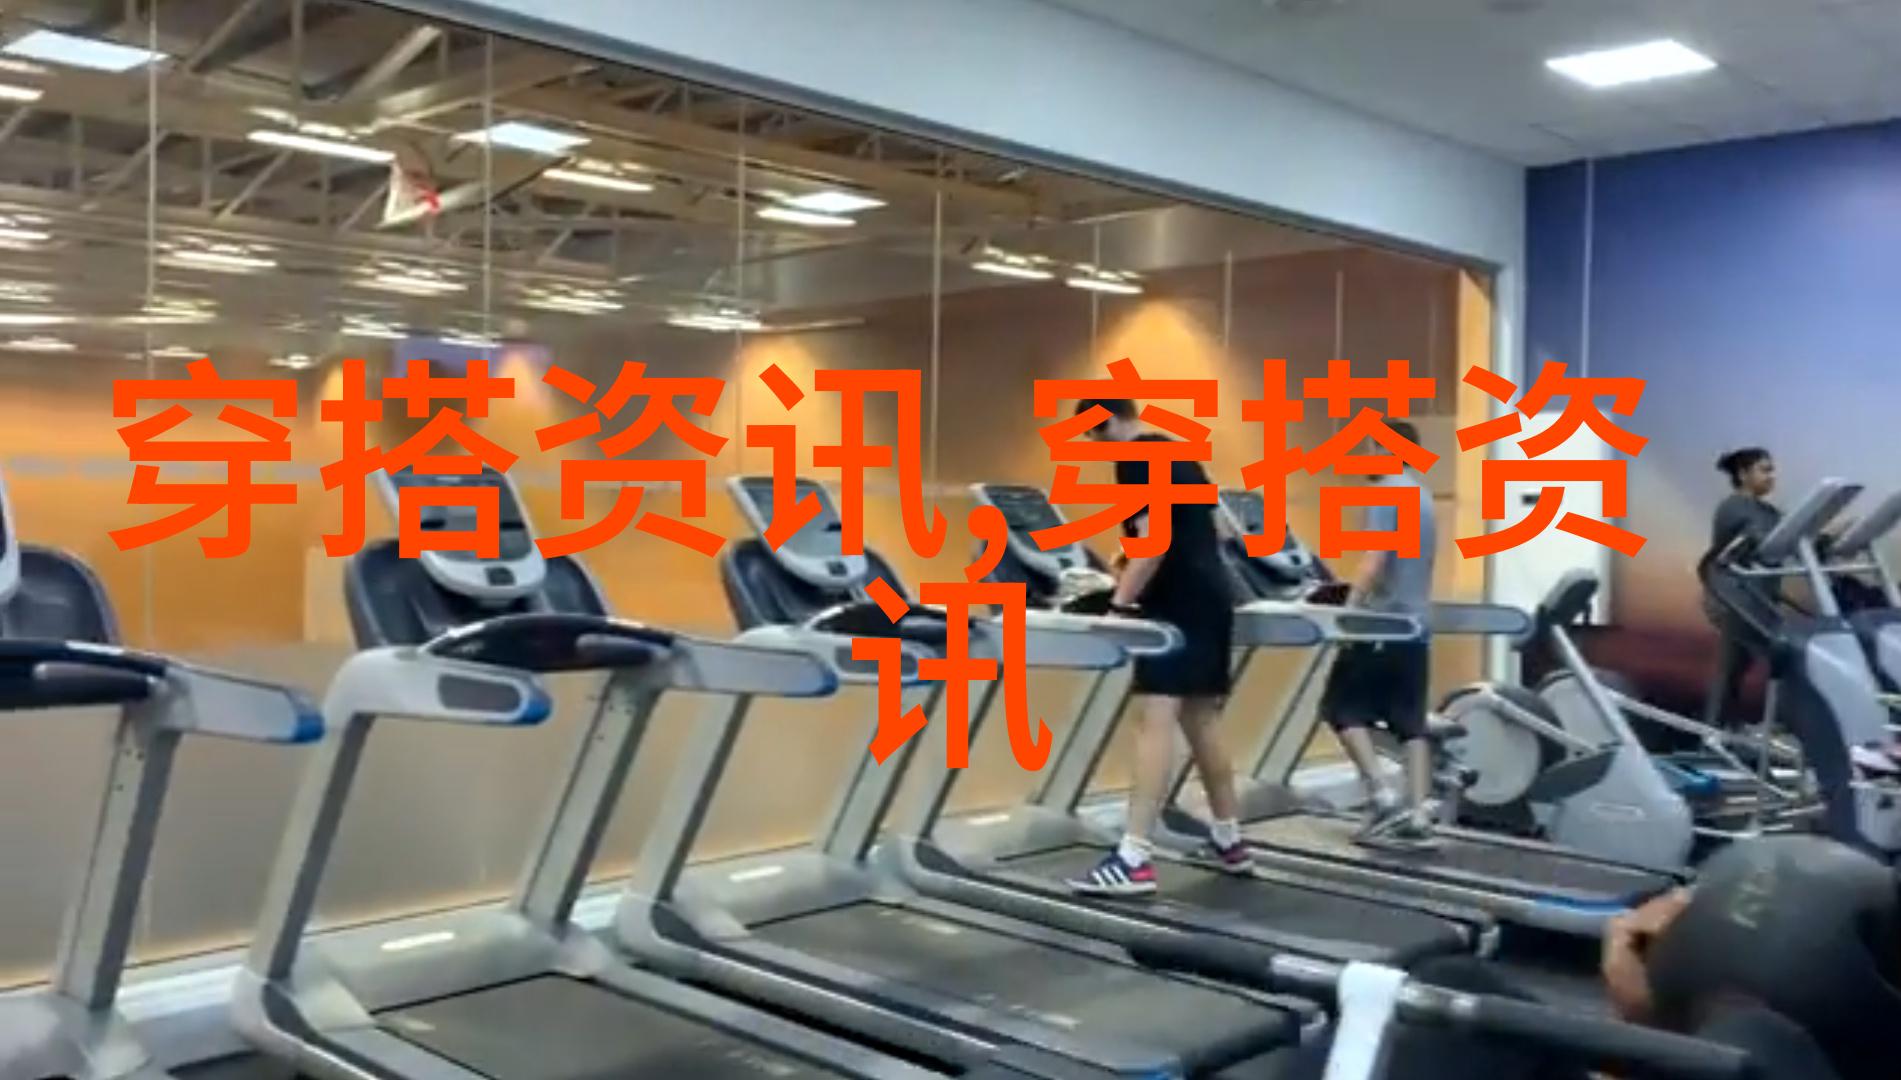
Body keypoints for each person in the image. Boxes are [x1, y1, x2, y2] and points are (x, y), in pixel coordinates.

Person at [1065, 397, 1252, 897]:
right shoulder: (1178, 452)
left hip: (1175, 607)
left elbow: (1154, 543)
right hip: (1212, 598)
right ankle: (1230, 840)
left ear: (1106, 420)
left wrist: (1117, 606)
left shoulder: (1134, 459)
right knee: (1202, 719)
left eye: (1093, 434)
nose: (1096, 446)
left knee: (1153, 720)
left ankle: (1134, 858)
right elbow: (1221, 528)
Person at [1317, 420, 1439, 850]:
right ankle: (1418, 813)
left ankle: (1383, 796)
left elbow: (1375, 560)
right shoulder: (1423, 496)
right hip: (1415, 628)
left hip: (1382, 626)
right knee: (1410, 722)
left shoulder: (1388, 492)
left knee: (1339, 707)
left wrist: (1348, 615)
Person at [1698, 447, 1781, 729]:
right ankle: (1716, 731)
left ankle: (1718, 729)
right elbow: (1764, 541)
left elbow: (1786, 538)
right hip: (1735, 600)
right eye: (1764, 470)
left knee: (1732, 669)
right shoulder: (1733, 507)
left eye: (1772, 470)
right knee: (1778, 662)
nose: (1772, 476)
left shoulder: (1768, 510)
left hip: (1757, 601)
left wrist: (1823, 539)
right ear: (1743, 474)